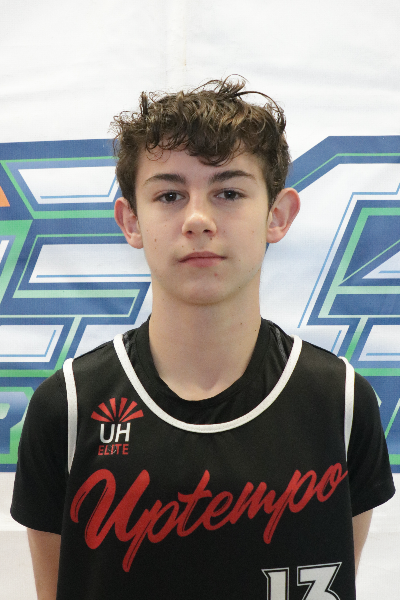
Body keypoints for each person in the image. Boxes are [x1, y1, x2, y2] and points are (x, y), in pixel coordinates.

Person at [11, 77, 395, 600]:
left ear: (277, 215)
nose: (197, 219)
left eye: (229, 193)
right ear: (131, 221)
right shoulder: (69, 408)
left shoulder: (341, 403)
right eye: (170, 195)